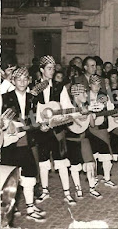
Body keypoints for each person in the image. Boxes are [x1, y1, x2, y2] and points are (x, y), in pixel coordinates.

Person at [1, 67, 46, 222]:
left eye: (25, 79)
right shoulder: (4, 97)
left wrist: (43, 125)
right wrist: (8, 124)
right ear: (13, 81)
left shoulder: (33, 99)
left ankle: (30, 207)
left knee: (29, 176)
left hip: (26, 141)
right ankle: (8, 211)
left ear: (29, 81)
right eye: (18, 79)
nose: (22, 82)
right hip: (9, 144)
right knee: (8, 179)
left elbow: (37, 120)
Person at [32, 55, 76, 205]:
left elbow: (67, 109)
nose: (52, 71)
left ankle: (67, 192)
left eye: (53, 68)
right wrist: (39, 124)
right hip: (41, 130)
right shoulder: (35, 88)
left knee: (61, 160)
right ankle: (44, 191)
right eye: (49, 68)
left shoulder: (59, 87)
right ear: (41, 70)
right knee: (43, 161)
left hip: (57, 130)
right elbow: (31, 109)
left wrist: (60, 119)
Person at [65, 83, 102, 199]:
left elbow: (92, 124)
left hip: (84, 138)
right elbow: (69, 124)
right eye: (83, 93)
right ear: (76, 95)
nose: (86, 94)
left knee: (90, 163)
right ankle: (78, 189)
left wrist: (91, 113)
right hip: (72, 139)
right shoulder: (68, 108)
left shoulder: (88, 106)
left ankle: (92, 188)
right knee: (75, 165)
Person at [86, 75, 117, 189]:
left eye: (99, 84)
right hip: (90, 129)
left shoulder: (104, 96)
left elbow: (111, 108)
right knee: (93, 155)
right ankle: (93, 178)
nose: (97, 87)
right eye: (94, 84)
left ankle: (107, 178)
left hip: (102, 128)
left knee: (106, 155)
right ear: (90, 85)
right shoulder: (85, 97)